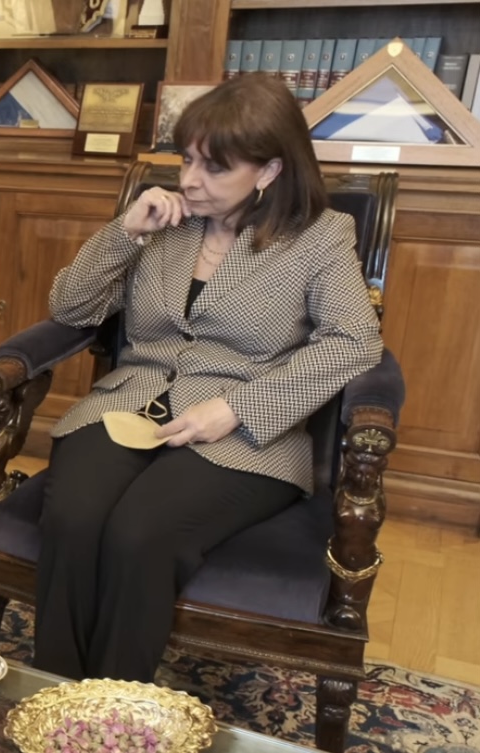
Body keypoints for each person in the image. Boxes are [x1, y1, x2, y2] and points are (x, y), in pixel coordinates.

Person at [32, 74, 383, 682]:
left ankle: (116, 714)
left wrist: (239, 407)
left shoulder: (320, 237)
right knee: (72, 517)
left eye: (214, 168)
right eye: (187, 159)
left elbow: (354, 341)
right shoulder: (163, 221)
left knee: (140, 533)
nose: (190, 180)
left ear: (269, 170)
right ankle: (57, 696)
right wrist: (125, 232)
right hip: (130, 404)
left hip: (243, 434)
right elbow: (71, 308)